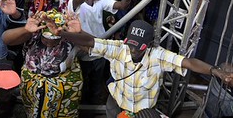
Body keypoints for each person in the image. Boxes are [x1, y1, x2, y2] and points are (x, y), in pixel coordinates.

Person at [57, 19, 233, 117]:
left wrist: (214, 70)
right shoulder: (120, 48)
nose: (132, 50)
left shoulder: (158, 55)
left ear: (148, 45)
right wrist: (63, 34)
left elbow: (188, 62)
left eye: (138, 47)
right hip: (116, 106)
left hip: (144, 114)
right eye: (130, 45)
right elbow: (91, 42)